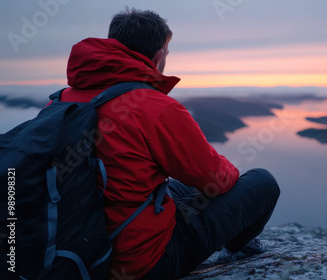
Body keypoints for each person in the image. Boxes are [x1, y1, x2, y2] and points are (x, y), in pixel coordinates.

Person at [59, 7, 280, 280]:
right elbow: (217, 178)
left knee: (182, 184)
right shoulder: (155, 107)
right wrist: (228, 171)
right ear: (159, 55)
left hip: (77, 248)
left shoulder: (62, 101)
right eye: (167, 52)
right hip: (142, 263)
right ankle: (237, 248)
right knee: (263, 182)